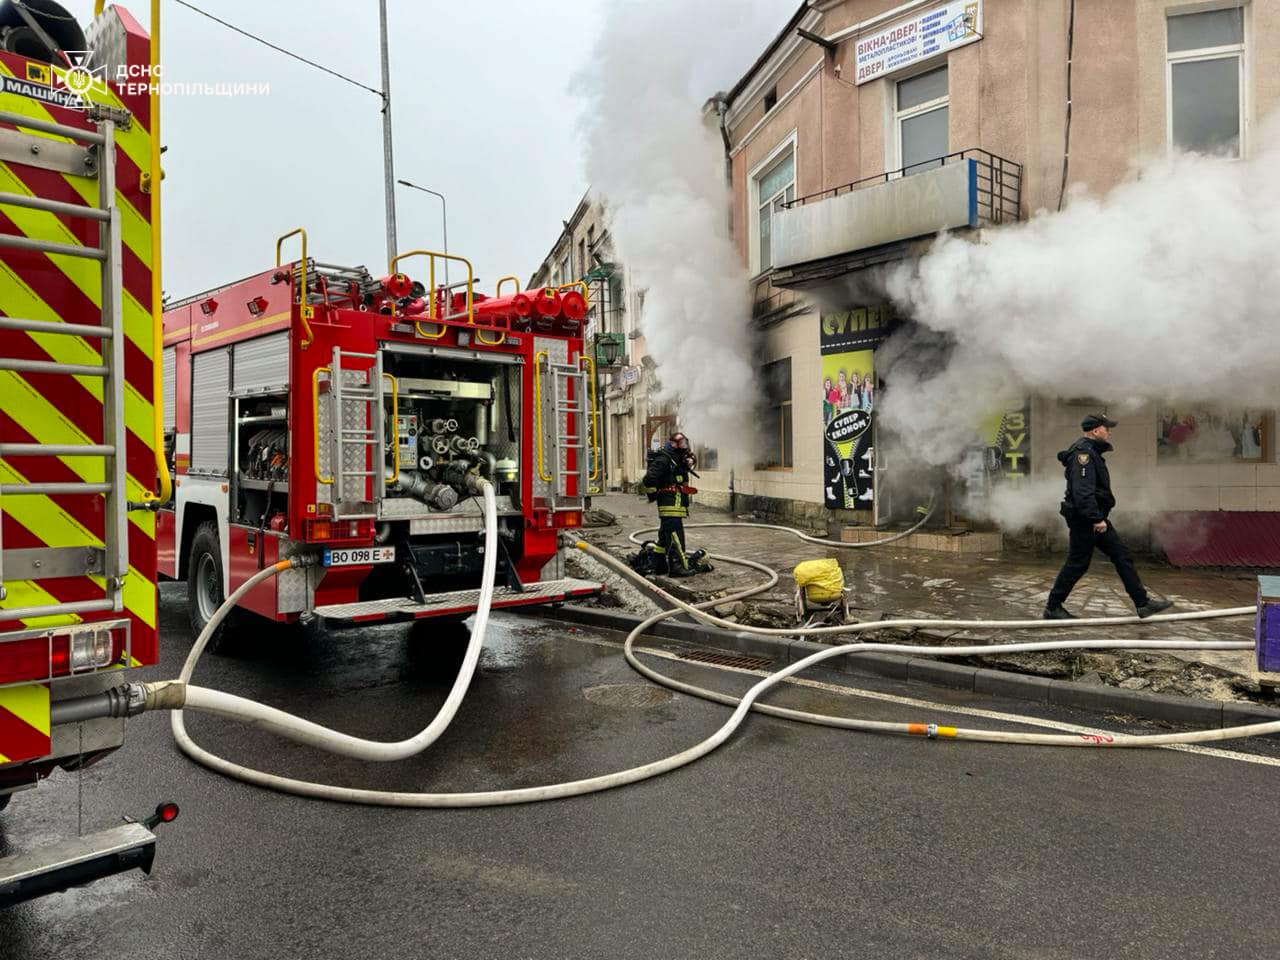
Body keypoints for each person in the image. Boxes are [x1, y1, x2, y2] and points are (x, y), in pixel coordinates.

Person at [1045, 414, 1173, 620]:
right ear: (1096, 431)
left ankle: (1142, 603)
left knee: (1121, 556)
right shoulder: (1083, 455)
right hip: (1086, 519)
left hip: (1094, 518)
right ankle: (1053, 607)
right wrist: (1096, 519)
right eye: (1106, 428)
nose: (1109, 432)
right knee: (1078, 563)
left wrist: (1098, 517)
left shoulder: (1091, 452)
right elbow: (1083, 492)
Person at [637, 431, 710, 577]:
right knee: (676, 535)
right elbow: (649, 479)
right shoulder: (664, 459)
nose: (685, 446)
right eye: (682, 443)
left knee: (665, 536)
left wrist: (686, 462)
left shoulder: (675, 459)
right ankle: (677, 567)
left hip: (675, 503)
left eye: (685, 443)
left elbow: (677, 474)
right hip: (670, 504)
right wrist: (655, 493)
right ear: (673, 444)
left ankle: (659, 565)